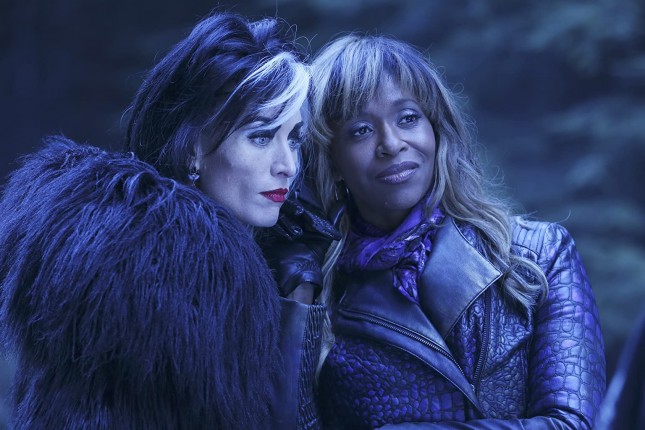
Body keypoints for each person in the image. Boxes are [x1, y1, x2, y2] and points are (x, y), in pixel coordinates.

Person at [0, 12, 326, 429]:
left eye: (293, 139)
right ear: (192, 148)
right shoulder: (143, 277)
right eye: (261, 136)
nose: (287, 165)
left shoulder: (274, 261)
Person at [303, 34, 606, 429]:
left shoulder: (537, 255)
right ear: (332, 159)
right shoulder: (315, 288)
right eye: (361, 130)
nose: (391, 144)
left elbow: (572, 424)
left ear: (437, 130)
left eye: (407, 118)